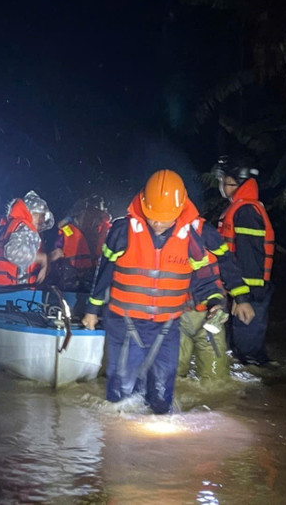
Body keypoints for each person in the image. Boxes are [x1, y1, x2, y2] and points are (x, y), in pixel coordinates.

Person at [82, 170, 225, 414]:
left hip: (167, 327)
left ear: (179, 211)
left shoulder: (191, 237)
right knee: (122, 397)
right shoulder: (121, 231)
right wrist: (92, 311)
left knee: (160, 400)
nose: (157, 223)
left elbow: (204, 278)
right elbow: (104, 274)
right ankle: (118, 446)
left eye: (164, 218)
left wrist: (216, 302)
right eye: (153, 217)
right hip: (125, 323)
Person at [213, 158, 276, 366]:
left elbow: (250, 256)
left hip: (250, 291)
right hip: (243, 288)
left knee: (248, 353)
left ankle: (260, 392)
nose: (222, 186)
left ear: (237, 184)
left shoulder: (246, 211)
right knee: (240, 348)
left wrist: (243, 298)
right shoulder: (239, 208)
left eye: (226, 181)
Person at [177, 216, 255, 380]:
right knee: (171, 378)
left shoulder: (203, 230)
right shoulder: (151, 233)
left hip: (210, 313)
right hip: (175, 317)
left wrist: (241, 298)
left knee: (216, 382)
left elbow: (226, 262)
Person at [0, 190, 55, 286]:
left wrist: (48, 260)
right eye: (37, 215)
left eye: (43, 216)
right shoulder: (24, 227)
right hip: (4, 291)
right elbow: (12, 252)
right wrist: (43, 258)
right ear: (28, 213)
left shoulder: (15, 225)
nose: (41, 219)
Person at [48, 195, 112, 290]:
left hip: (94, 284)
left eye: (97, 216)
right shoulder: (66, 231)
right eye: (91, 214)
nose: (95, 219)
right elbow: (53, 255)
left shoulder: (105, 231)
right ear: (81, 213)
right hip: (69, 285)